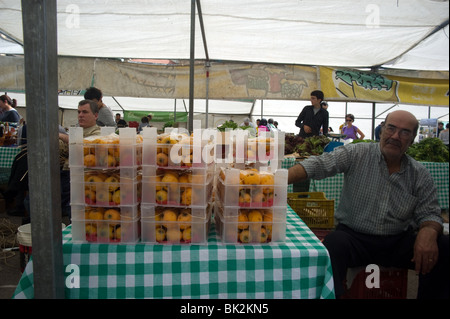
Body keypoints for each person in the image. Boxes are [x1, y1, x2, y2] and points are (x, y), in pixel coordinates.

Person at [288, 110, 449, 299]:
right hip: (354, 238)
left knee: (444, 245)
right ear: (381, 131)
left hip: (397, 241)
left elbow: (430, 213)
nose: (395, 136)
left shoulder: (419, 174)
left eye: (405, 132)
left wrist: (429, 231)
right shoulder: (358, 153)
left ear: (412, 140)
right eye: (391, 128)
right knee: (333, 245)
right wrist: (275, 180)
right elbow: (319, 165)